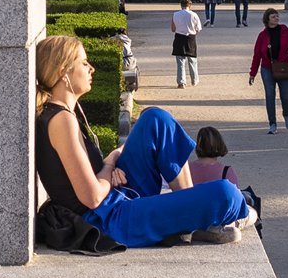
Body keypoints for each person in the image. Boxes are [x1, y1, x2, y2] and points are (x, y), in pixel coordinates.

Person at [33, 36, 255, 248]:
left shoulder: (63, 114)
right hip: (110, 219)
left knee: (155, 119)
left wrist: (110, 168)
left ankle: (190, 213)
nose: (91, 68)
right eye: (83, 63)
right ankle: (198, 215)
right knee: (227, 194)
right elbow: (92, 197)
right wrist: (110, 163)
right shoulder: (62, 121)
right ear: (63, 72)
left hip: (113, 201)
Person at [247, 7, 288, 134]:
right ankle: (272, 124)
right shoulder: (262, 36)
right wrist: (252, 73)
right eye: (273, 16)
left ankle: (286, 113)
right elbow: (257, 56)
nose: (276, 18)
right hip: (267, 68)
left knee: (286, 97)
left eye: (277, 16)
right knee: (270, 95)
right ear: (267, 19)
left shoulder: (285, 31)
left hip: (284, 67)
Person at [170, 0, 203, 87]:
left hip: (179, 38)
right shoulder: (194, 15)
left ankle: (181, 82)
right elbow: (198, 29)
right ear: (190, 5)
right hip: (190, 38)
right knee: (192, 60)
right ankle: (194, 80)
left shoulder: (175, 14)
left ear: (181, 5)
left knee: (180, 61)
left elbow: (173, 29)